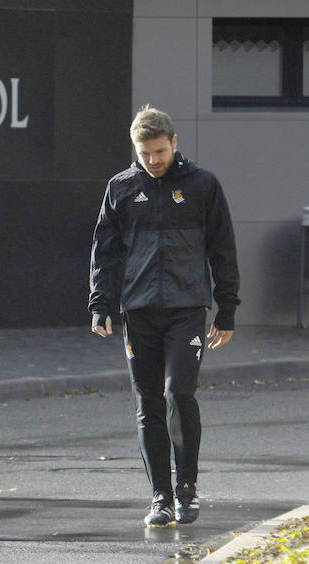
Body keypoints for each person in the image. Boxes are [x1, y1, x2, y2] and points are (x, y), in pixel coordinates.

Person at [88, 105, 239, 528]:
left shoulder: (202, 186)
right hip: (138, 312)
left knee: (178, 393)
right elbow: (105, 251)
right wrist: (100, 304)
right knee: (147, 404)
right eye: (144, 153)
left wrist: (226, 309)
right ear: (134, 150)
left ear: (174, 143)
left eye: (159, 151)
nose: (152, 161)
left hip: (186, 310)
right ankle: (161, 497)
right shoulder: (120, 188)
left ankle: (187, 490)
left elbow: (222, 249)